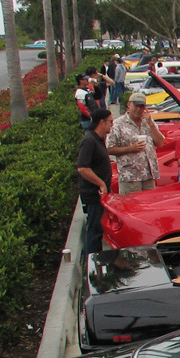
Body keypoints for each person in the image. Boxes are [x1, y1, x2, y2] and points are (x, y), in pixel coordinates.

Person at [107, 92, 164, 194]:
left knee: (148, 206)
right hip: (130, 176)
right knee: (131, 206)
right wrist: (130, 148)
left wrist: (151, 124)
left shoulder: (148, 122)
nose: (138, 109)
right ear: (129, 105)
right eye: (136, 106)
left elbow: (160, 143)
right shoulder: (118, 124)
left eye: (141, 106)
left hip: (148, 175)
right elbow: (109, 149)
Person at [75, 108, 113, 259]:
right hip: (94, 194)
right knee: (94, 230)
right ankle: (92, 262)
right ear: (101, 122)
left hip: (101, 194)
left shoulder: (98, 139)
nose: (112, 125)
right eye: (110, 122)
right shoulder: (89, 140)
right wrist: (101, 183)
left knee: (99, 229)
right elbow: (83, 168)